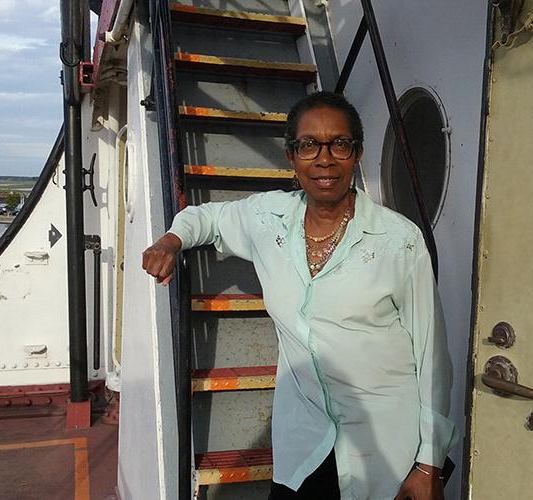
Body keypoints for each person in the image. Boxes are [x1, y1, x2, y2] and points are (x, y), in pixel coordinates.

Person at [142, 91, 456, 500]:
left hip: (385, 449)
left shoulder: (400, 241)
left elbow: (433, 358)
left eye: (339, 144)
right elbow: (206, 217)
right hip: (303, 443)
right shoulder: (268, 219)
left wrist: (429, 463)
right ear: (292, 156)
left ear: (357, 153)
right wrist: (170, 242)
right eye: (308, 145)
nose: (324, 159)